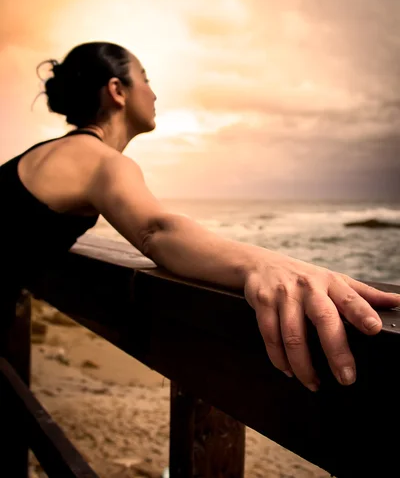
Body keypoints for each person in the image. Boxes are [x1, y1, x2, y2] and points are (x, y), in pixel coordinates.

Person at [2, 41, 399, 393]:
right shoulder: (102, 162)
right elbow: (155, 231)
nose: (154, 93)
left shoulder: (49, 153)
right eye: (146, 78)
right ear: (117, 91)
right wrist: (264, 263)